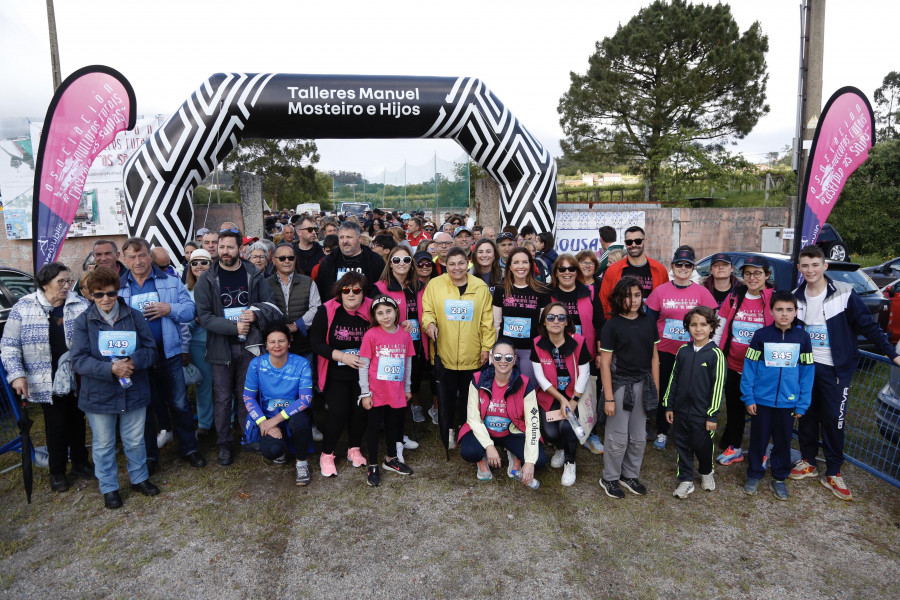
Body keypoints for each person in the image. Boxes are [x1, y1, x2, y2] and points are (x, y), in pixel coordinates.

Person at [790, 245, 900, 499]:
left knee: (833, 420)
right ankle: (808, 461)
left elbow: (870, 327)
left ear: (824, 266)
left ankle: (834, 471)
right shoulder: (796, 296)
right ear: (799, 268)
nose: (810, 270)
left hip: (836, 370)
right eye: (805, 265)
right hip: (806, 369)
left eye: (815, 264)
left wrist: (892, 353)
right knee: (806, 416)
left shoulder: (844, 293)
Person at [70, 267, 160, 509]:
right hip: (98, 394)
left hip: (133, 389)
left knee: (134, 440)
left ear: (117, 291)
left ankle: (139, 478)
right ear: (90, 295)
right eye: (98, 295)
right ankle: (109, 487)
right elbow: (78, 360)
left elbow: (151, 350)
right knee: (103, 444)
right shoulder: (83, 322)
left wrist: (132, 362)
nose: (105, 299)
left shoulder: (134, 316)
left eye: (110, 293)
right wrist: (110, 370)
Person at [1, 262, 91, 493]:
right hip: (44, 378)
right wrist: (17, 376)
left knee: (78, 420)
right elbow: (9, 346)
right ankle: (57, 471)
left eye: (67, 281)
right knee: (56, 425)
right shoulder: (24, 307)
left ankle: (80, 463)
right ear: (44, 284)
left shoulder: (79, 304)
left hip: (77, 376)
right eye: (60, 281)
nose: (65, 286)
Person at [119, 237, 207, 472]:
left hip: (169, 353)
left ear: (150, 256)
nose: (138, 261)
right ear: (125, 260)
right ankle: (150, 456)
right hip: (137, 359)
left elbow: (190, 310)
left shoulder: (169, 281)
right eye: (132, 257)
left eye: (142, 255)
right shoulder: (119, 288)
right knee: (145, 408)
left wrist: (170, 309)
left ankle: (189, 448)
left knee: (179, 403)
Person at [194, 229, 277, 466]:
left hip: (249, 346)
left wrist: (255, 314)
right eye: (221, 247)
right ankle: (224, 444)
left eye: (230, 247)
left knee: (247, 396)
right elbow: (204, 316)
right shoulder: (207, 278)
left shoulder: (253, 274)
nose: (225, 252)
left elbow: (270, 305)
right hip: (221, 347)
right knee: (221, 398)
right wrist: (234, 327)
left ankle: (249, 437)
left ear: (240, 249)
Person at [741, 291, 814, 500]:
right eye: (779, 309)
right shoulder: (761, 336)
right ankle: (754, 474)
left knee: (783, 441)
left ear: (796, 312)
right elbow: (750, 367)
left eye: (789, 310)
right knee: (758, 439)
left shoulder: (803, 338)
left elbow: (807, 372)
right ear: (771, 311)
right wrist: (749, 397)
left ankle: (780, 478)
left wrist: (802, 404)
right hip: (761, 401)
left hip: (788, 403)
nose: (784, 314)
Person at [645, 247, 717, 450]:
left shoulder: (702, 292)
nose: (683, 268)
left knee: (689, 391)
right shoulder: (660, 291)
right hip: (665, 351)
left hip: (692, 352)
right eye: (679, 264)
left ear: (693, 267)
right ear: (673, 266)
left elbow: (711, 322)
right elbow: (649, 322)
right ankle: (662, 430)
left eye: (688, 264)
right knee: (665, 389)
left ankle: (686, 430)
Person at [422, 247, 495, 446]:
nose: (457, 268)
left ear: (468, 263)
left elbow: (486, 321)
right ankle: (448, 432)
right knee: (445, 399)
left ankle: (466, 431)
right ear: (446, 265)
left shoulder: (480, 287)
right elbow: (427, 310)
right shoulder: (435, 285)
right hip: (444, 354)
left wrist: (486, 347)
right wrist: (428, 323)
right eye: (452, 264)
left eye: (461, 263)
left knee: (468, 399)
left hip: (471, 355)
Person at [598, 276, 659, 499]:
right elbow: (605, 363)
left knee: (638, 436)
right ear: (618, 297)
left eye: (637, 295)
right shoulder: (612, 325)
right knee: (617, 436)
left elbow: (654, 358)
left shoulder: (648, 322)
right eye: (627, 295)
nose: (633, 300)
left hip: (643, 385)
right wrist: (609, 398)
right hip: (620, 386)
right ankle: (610, 477)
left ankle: (630, 474)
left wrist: (656, 390)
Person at [458, 338, 547, 486]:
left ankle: (514, 453)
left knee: (539, 461)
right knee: (469, 452)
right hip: (484, 430)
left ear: (515, 359)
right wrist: (489, 446)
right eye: (498, 357)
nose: (503, 361)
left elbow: (533, 423)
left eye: (508, 357)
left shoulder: (524, 383)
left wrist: (530, 461)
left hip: (512, 432)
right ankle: (483, 457)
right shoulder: (478, 379)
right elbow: (473, 418)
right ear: (492, 358)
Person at [712, 256, 774, 466]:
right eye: (747, 273)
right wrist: (715, 352)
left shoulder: (775, 298)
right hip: (733, 364)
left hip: (762, 369)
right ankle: (735, 447)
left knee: (761, 412)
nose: (752, 277)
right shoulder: (735, 296)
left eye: (757, 273)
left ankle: (762, 452)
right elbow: (720, 326)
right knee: (735, 410)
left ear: (767, 275)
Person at [312, 272, 373, 477]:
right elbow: (316, 343)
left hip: (364, 374)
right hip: (336, 372)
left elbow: (388, 323)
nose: (351, 294)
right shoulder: (327, 310)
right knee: (338, 412)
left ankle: (354, 448)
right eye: (346, 290)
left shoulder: (372, 308)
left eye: (357, 290)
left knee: (360, 411)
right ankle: (327, 454)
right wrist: (342, 356)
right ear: (340, 291)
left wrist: (404, 325)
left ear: (363, 292)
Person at [663, 306, 726, 499]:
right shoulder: (683, 351)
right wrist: (669, 404)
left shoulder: (716, 354)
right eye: (693, 325)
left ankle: (706, 471)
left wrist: (712, 415)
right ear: (688, 327)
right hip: (681, 410)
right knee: (682, 444)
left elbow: (718, 387)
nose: (698, 329)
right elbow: (674, 378)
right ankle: (686, 480)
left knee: (703, 445)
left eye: (704, 324)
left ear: (712, 326)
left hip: (702, 413)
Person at [242, 324, 315, 486]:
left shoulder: (301, 363)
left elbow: (305, 399)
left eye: (281, 341)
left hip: (294, 413)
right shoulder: (256, 364)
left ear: (289, 342)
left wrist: (273, 421)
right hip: (267, 414)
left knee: (300, 422)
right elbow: (248, 397)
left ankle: (301, 463)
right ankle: (281, 449)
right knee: (272, 451)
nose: (277, 346)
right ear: (266, 345)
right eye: (272, 342)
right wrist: (262, 422)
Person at [530, 302, 591, 486]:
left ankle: (570, 462)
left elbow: (584, 373)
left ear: (566, 322)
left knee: (567, 426)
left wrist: (573, 400)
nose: (556, 321)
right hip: (552, 396)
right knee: (550, 432)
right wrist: (562, 399)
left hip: (575, 394)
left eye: (561, 317)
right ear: (544, 322)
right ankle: (560, 447)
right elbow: (541, 378)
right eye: (551, 317)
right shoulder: (537, 343)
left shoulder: (578, 341)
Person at [358, 296, 416, 486]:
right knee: (373, 428)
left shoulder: (405, 335)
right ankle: (373, 464)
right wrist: (365, 393)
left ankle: (391, 459)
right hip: (376, 391)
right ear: (375, 316)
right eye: (380, 313)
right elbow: (364, 365)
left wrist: (407, 387)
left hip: (396, 391)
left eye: (389, 311)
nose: (385, 316)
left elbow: (407, 363)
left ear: (396, 312)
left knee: (394, 425)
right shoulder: (371, 335)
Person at [374, 246, 428, 440]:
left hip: (416, 344)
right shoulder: (380, 287)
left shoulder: (420, 284)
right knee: (392, 387)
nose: (401, 264)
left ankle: (399, 430)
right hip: (391, 348)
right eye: (396, 260)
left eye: (406, 260)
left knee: (410, 383)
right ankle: (392, 431)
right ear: (390, 263)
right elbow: (374, 316)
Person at [492, 247, 550, 381]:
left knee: (527, 390)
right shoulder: (501, 289)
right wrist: (495, 349)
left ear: (530, 265)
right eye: (516, 262)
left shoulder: (541, 290)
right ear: (510, 266)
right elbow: (496, 323)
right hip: (505, 351)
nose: (521, 266)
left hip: (530, 350)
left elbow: (544, 324)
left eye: (525, 262)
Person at [599, 226, 668, 315]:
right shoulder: (613, 270)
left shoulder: (659, 269)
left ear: (645, 241)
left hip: (649, 325)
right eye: (629, 242)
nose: (633, 245)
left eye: (638, 241)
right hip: (621, 324)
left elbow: (665, 300)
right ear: (625, 244)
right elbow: (603, 300)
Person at [184, 249, 214, 436]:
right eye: (194, 263)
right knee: (203, 384)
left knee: (223, 384)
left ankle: (228, 420)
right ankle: (204, 423)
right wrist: (195, 321)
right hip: (196, 342)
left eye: (204, 262)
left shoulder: (218, 285)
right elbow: (182, 321)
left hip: (219, 340)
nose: (199, 266)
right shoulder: (186, 290)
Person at [315, 221, 386, 300]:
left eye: (349, 237)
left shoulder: (375, 260)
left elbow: (382, 289)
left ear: (359, 239)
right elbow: (322, 292)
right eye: (341, 237)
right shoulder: (329, 261)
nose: (345, 241)